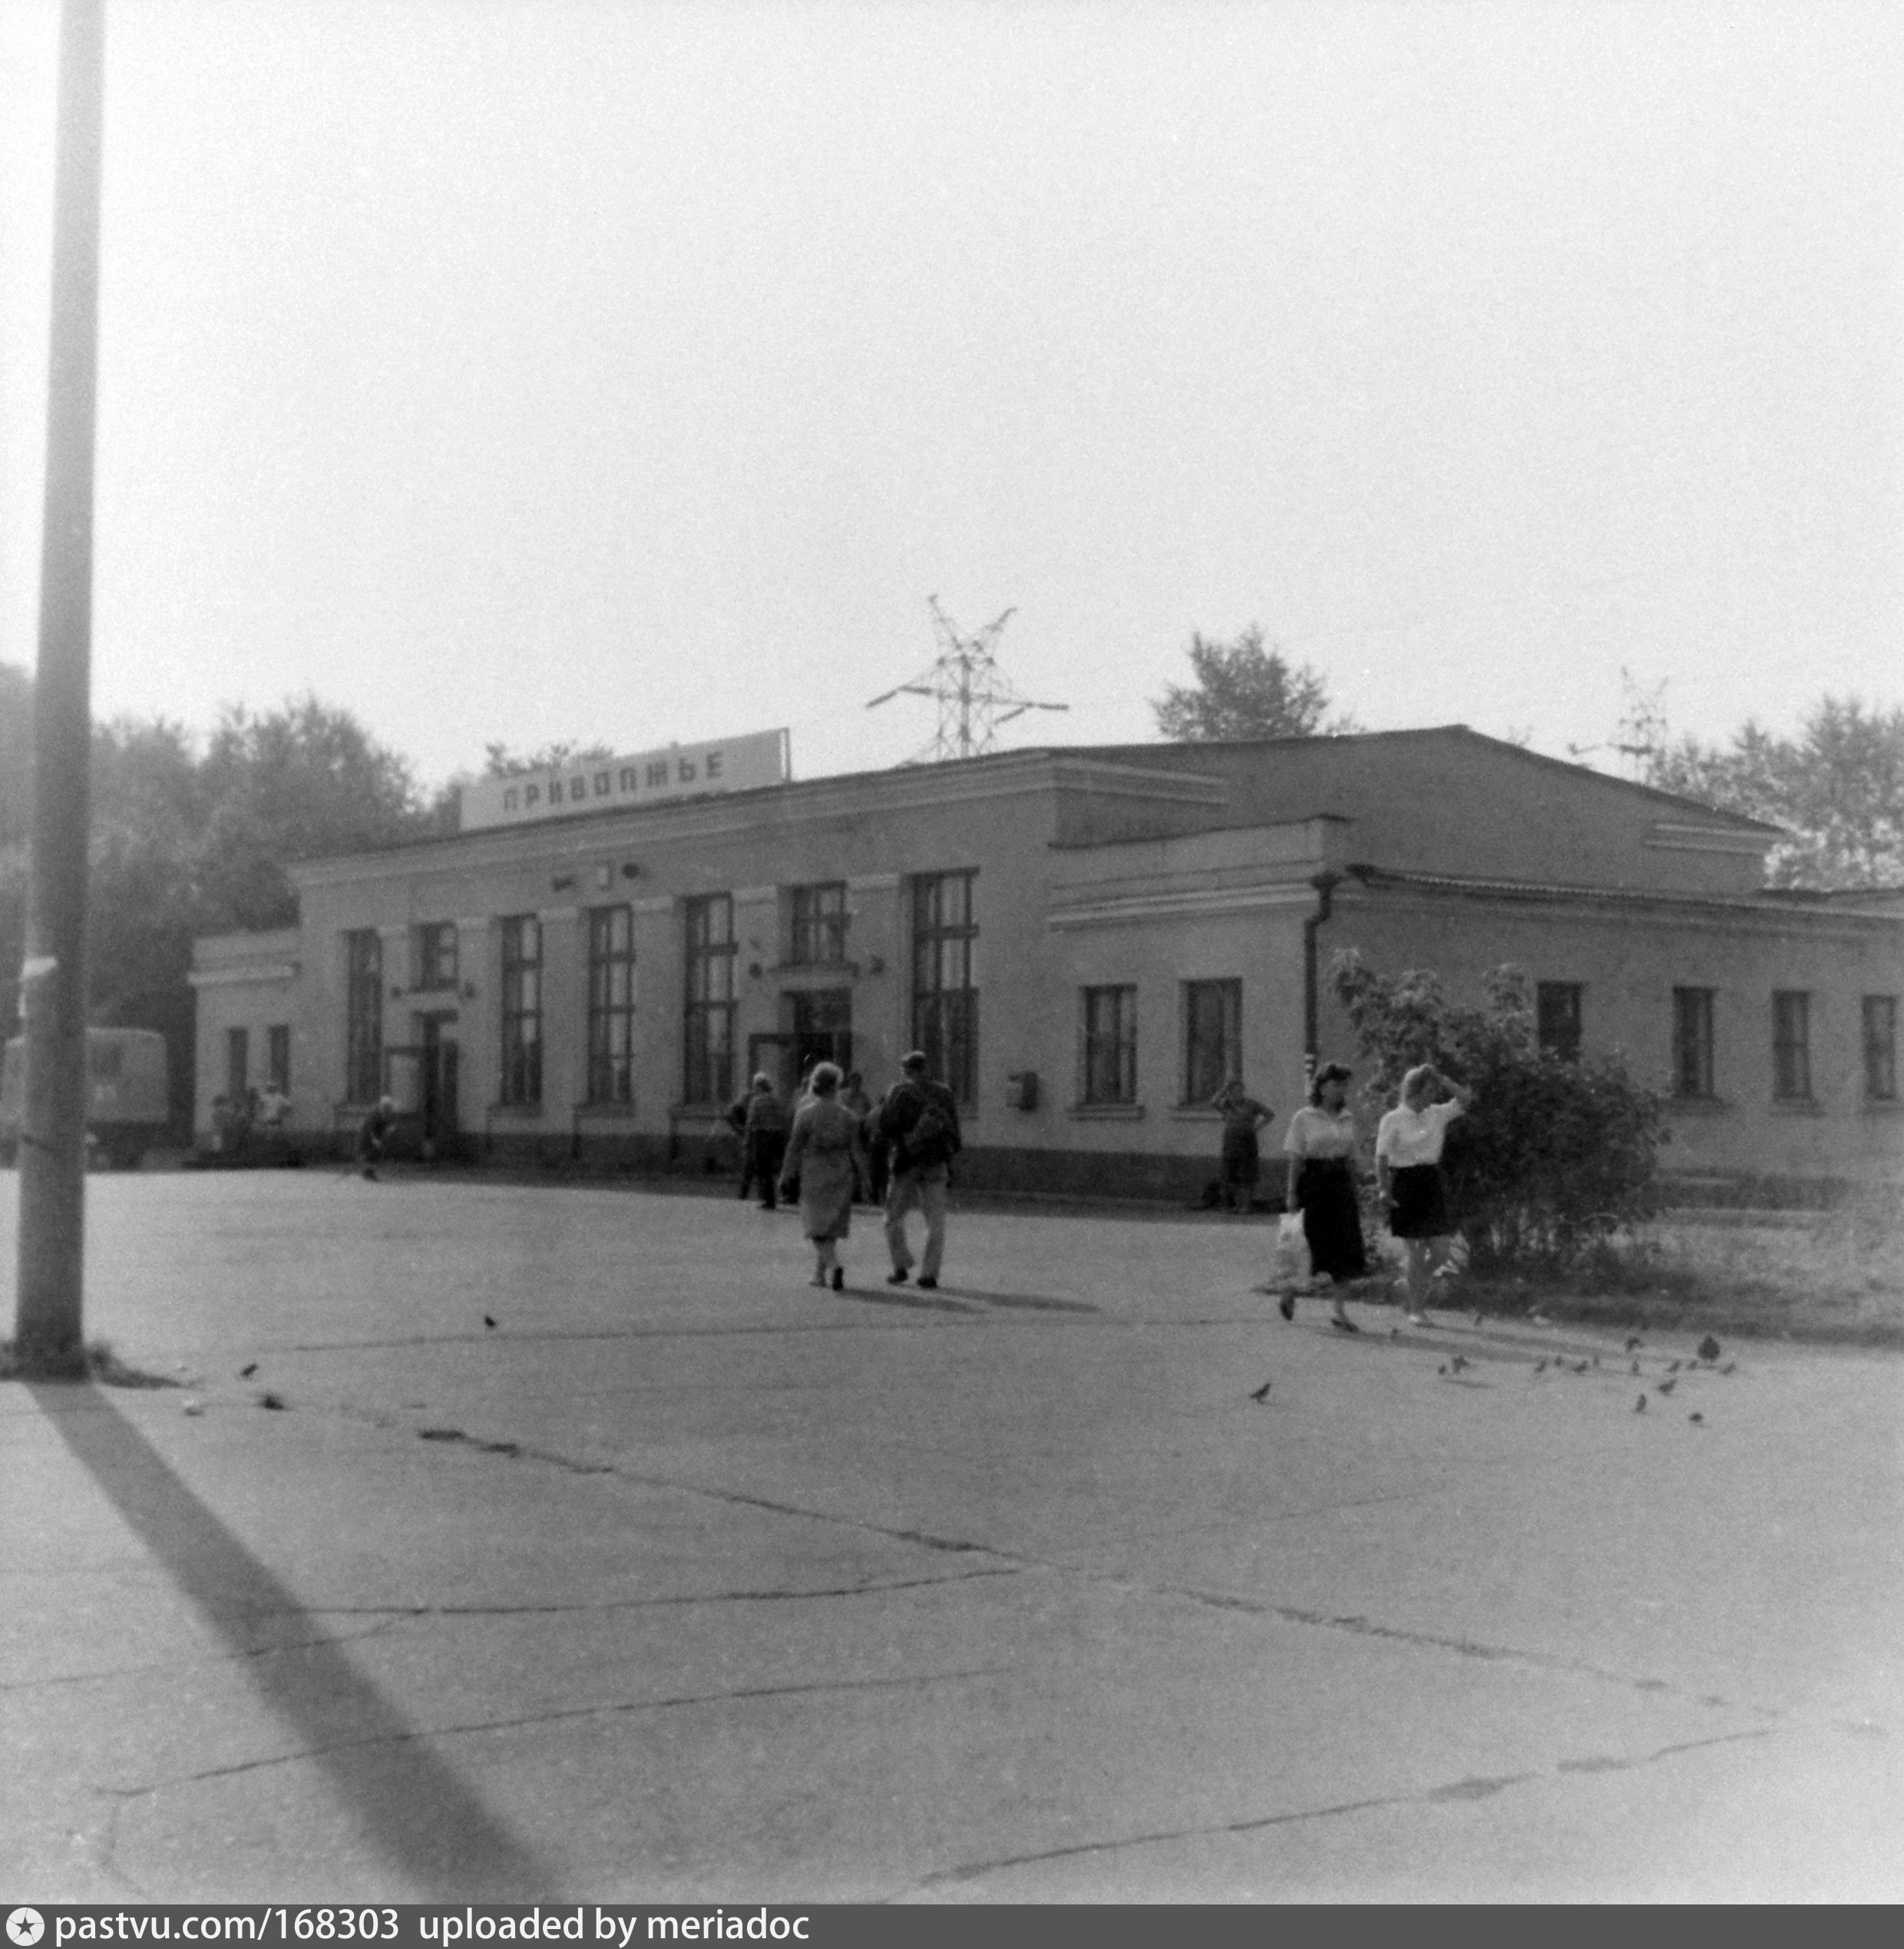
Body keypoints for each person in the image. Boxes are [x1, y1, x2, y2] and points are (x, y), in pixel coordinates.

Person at [1375, 1063, 1475, 1324]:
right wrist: (1383, 1189)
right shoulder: (1393, 1119)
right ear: (1414, 1090)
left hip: (1430, 1181)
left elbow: (1466, 1099)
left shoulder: (1437, 1114)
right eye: (1429, 1089)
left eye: (1435, 1090)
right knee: (1417, 1252)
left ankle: (1410, 1285)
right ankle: (1417, 1310)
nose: (1433, 1095)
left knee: (1441, 1251)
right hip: (1405, 1183)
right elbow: (1382, 1158)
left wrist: (1443, 1078)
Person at [1281, 1062, 1369, 1332]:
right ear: (1321, 1087)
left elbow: (1352, 1158)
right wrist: (1292, 1193)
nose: (1341, 1090)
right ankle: (1291, 1291)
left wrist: (1357, 1189)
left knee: (1345, 1248)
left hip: (1340, 1185)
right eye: (1335, 1084)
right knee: (1312, 1245)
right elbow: (1296, 1159)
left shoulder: (1347, 1118)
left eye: (1344, 1085)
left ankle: (1339, 1312)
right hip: (1315, 1184)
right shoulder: (1304, 1117)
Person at [778, 1061, 871, 1290]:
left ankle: (832, 1265)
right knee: (830, 1225)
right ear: (836, 1086)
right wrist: (866, 1177)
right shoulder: (848, 1116)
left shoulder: (806, 1114)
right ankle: (819, 1275)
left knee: (814, 1224)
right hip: (841, 1170)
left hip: (815, 1170)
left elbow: (794, 1147)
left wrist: (785, 1174)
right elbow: (857, 1150)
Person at [878, 1050, 962, 1289]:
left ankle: (901, 1265)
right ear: (926, 1067)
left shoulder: (899, 1091)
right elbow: (955, 1134)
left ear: (906, 1070)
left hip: (906, 1162)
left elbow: (885, 1127)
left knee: (892, 1218)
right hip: (936, 1163)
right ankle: (929, 1274)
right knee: (935, 1222)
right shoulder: (944, 1093)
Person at [1211, 1077, 1272, 1214]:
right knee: (1231, 1174)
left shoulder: (1251, 1104)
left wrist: (1256, 1128)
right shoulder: (1228, 1105)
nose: (1238, 1093)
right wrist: (1223, 1090)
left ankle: (1246, 1206)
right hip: (1231, 1141)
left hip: (1246, 1141)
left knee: (1247, 1174)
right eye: (1234, 1091)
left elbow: (1269, 1114)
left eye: (1240, 1090)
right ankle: (1236, 1205)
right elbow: (1214, 1102)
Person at [729, 1073, 790, 1210]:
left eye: (755, 1086)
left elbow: (751, 1122)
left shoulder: (756, 1102)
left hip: (762, 1137)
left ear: (759, 1086)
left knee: (763, 1169)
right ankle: (780, 1195)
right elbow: (783, 1119)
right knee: (776, 1168)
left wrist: (747, 1141)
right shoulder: (776, 1100)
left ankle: (768, 1200)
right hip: (777, 1136)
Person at [357, 1095, 397, 1180]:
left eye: (389, 1107)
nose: (387, 1109)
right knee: (369, 1155)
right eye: (386, 1106)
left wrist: (390, 1129)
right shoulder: (374, 1114)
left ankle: (369, 1172)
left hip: (377, 1137)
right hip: (367, 1136)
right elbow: (371, 1128)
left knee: (376, 1154)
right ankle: (367, 1173)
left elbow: (388, 1124)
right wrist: (374, 1139)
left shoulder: (387, 1114)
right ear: (382, 1105)